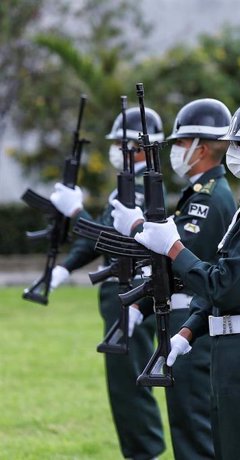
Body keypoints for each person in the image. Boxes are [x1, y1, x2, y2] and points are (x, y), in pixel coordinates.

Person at [127, 97, 240, 460]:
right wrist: (188, 332)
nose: (232, 151)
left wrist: (174, 248)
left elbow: (224, 284)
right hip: (235, 351)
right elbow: (227, 289)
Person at [111, 98, 236, 459]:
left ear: (202, 147)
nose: (178, 150)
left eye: (182, 143)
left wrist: (136, 226)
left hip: (193, 320)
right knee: (186, 425)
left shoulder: (209, 198)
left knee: (194, 430)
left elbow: (180, 253)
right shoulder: (197, 195)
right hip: (183, 317)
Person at [47, 107, 166, 460]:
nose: (114, 148)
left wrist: (76, 215)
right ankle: (139, 450)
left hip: (133, 294)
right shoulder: (126, 186)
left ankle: (144, 451)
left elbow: (121, 240)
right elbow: (100, 238)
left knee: (129, 384)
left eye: (120, 143)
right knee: (121, 385)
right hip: (119, 293)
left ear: (138, 147)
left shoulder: (143, 189)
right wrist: (65, 268)